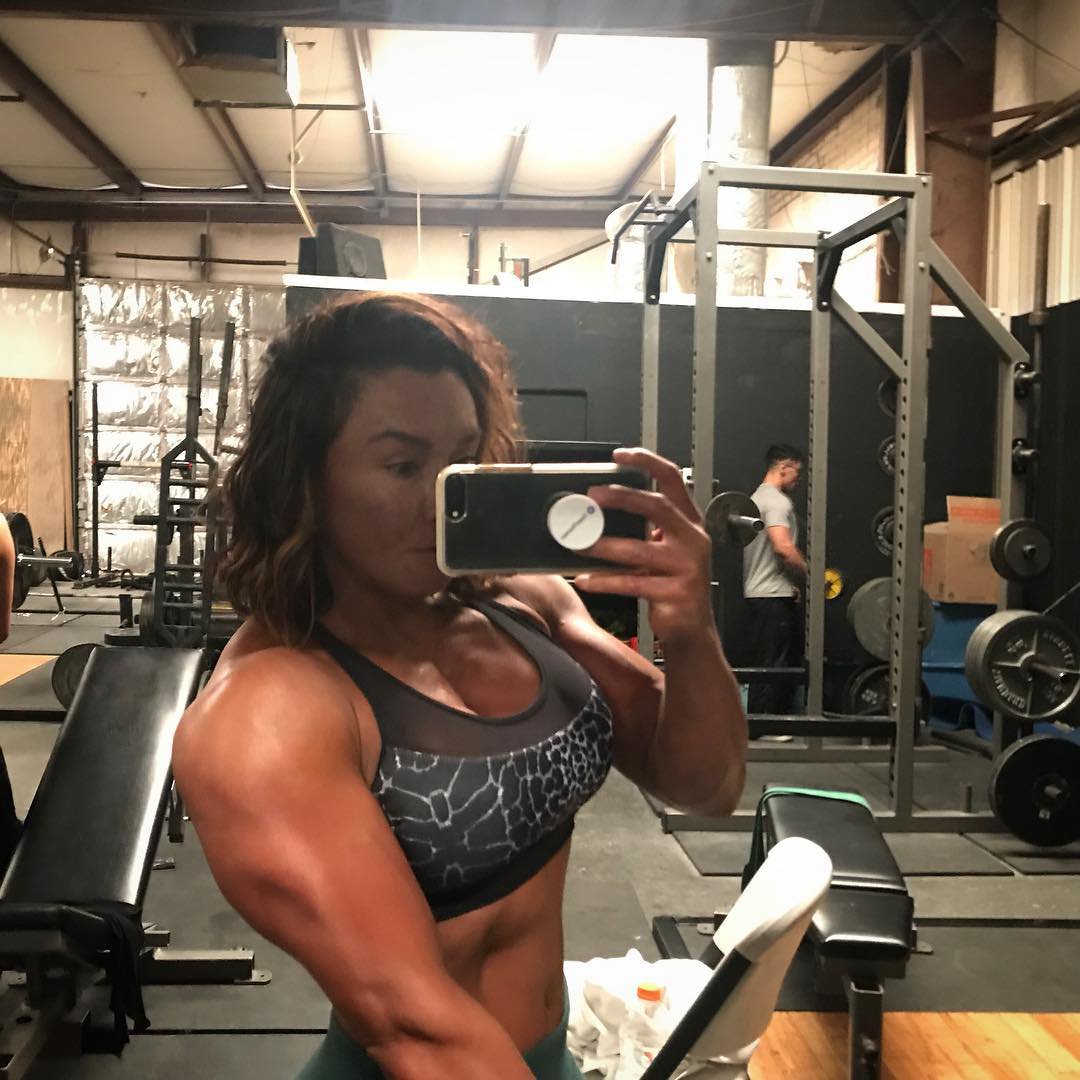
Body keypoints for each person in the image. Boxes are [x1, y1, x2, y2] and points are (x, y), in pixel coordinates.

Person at [172, 293, 747, 1080]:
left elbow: (705, 785)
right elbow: (418, 1030)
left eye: (463, 459)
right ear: (304, 480)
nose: (441, 499)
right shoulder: (269, 711)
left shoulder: (523, 602)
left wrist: (689, 628)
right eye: (404, 465)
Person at [741, 444, 807, 718]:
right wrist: (809, 577)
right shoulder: (778, 502)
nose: (798, 479)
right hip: (772, 596)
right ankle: (766, 725)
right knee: (773, 664)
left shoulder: (756, 498)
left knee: (766, 662)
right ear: (784, 467)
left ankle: (762, 723)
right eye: (797, 472)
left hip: (761, 592)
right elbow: (782, 547)